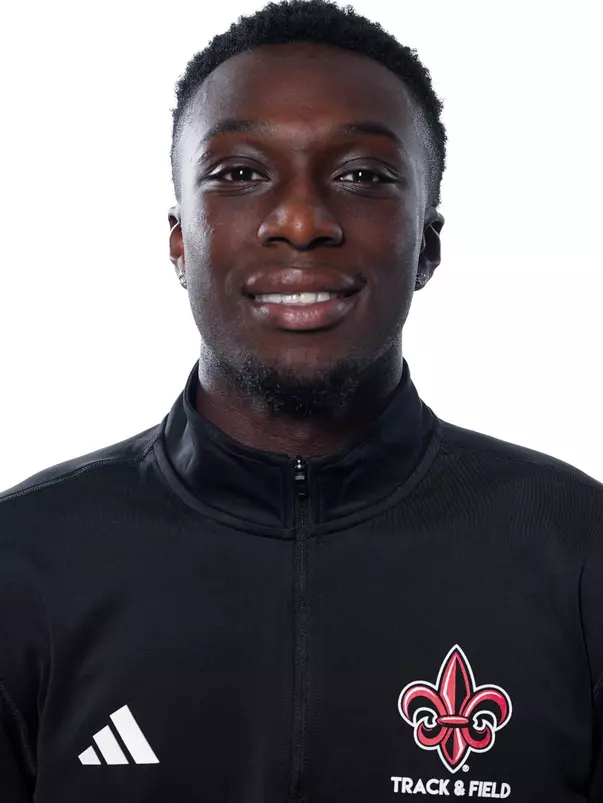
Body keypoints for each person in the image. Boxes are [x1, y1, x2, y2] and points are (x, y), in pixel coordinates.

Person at [1, 0, 601, 800]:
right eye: (239, 173)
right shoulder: (25, 564)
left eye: (362, 175)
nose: (301, 220)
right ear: (179, 240)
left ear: (426, 243)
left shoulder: (577, 553)